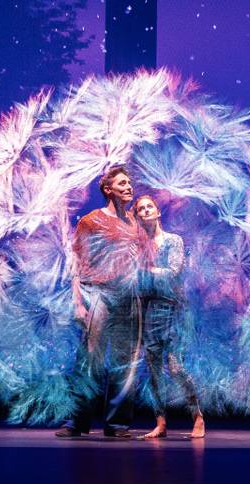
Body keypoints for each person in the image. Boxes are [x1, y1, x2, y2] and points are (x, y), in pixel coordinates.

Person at [55, 166, 140, 439]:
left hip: (128, 297)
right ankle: (76, 422)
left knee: (125, 363)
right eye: (122, 183)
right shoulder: (91, 221)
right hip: (99, 294)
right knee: (90, 359)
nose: (129, 187)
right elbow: (76, 262)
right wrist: (78, 303)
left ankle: (117, 425)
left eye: (129, 183)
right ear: (107, 189)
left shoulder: (135, 222)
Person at [133, 195, 205, 439]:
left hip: (173, 308)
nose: (145, 210)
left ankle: (197, 416)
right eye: (141, 209)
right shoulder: (137, 247)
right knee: (153, 369)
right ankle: (160, 422)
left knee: (175, 366)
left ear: (158, 212)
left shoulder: (173, 240)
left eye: (149, 206)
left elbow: (173, 271)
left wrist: (144, 271)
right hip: (148, 310)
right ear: (137, 216)